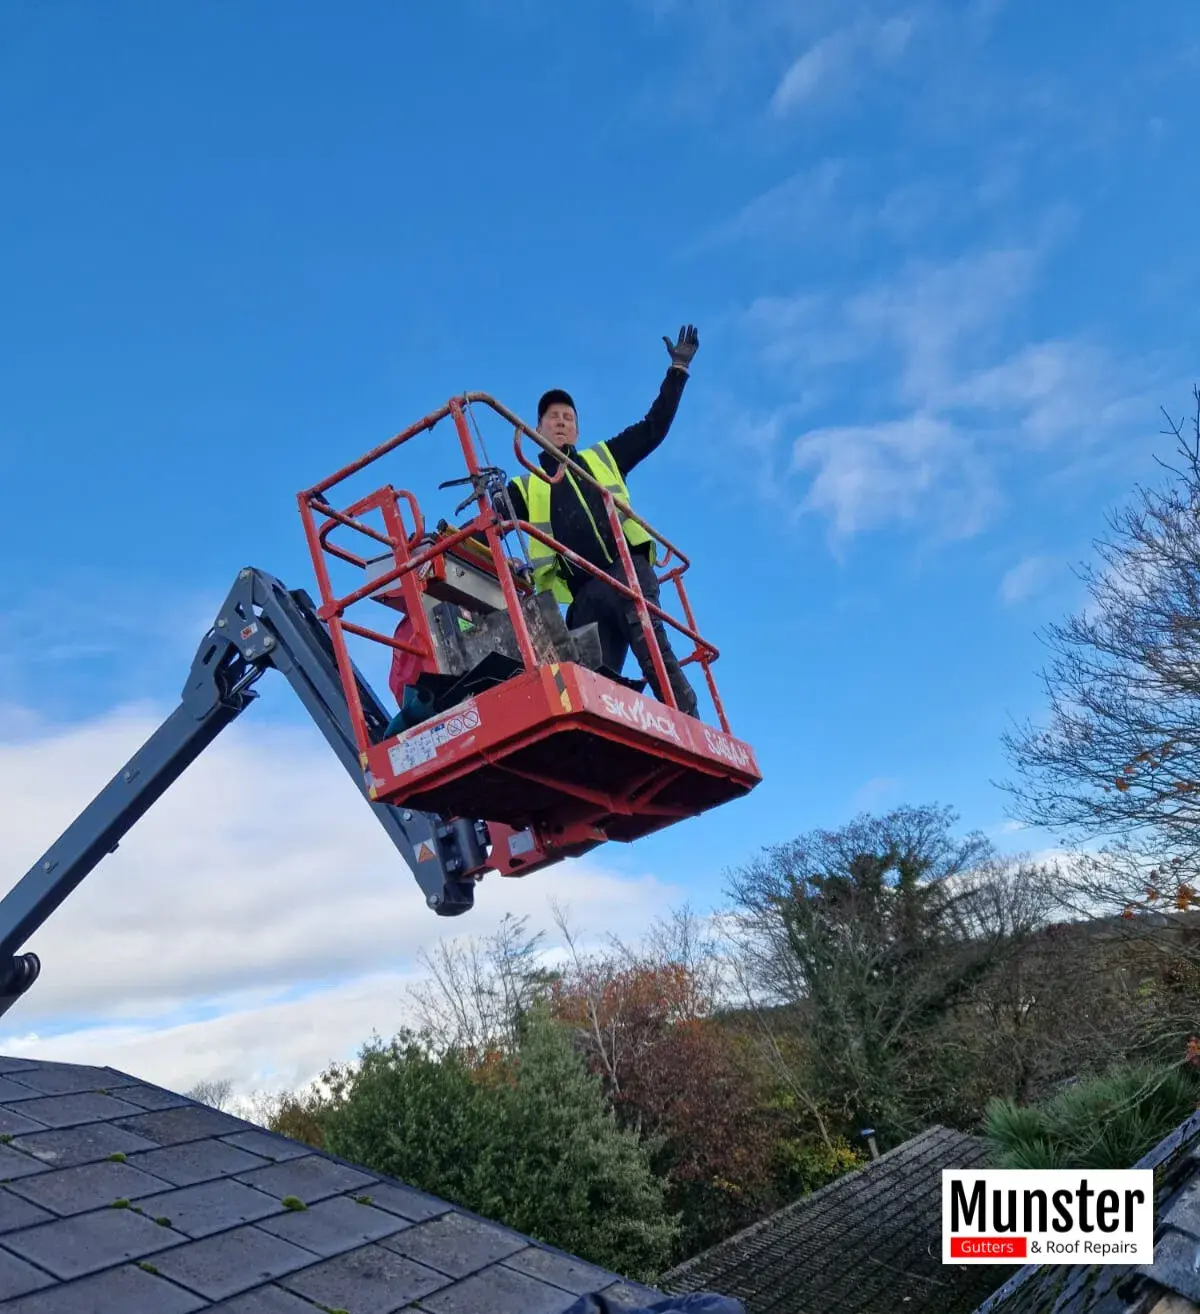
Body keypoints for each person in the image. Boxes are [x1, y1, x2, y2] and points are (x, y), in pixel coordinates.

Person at [505, 325, 701, 716]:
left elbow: (653, 427)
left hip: (628, 572)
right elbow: (489, 519)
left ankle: (689, 723)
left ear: (577, 430)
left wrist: (677, 371)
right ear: (537, 429)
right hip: (585, 594)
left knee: (654, 653)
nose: (561, 422)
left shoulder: (604, 457)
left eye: (568, 417)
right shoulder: (525, 486)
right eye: (552, 417)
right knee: (587, 684)